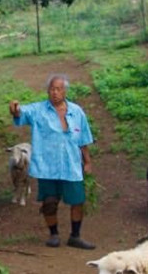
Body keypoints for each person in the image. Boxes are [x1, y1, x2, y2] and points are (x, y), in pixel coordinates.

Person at [9, 73, 95, 249]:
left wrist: (87, 162)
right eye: (52, 89)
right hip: (47, 166)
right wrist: (15, 109)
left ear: (65, 91)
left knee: (77, 201)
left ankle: (75, 236)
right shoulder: (38, 110)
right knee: (49, 201)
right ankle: (54, 234)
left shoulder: (76, 112)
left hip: (71, 165)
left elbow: (83, 140)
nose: (55, 92)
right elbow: (22, 113)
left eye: (59, 89)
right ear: (47, 91)